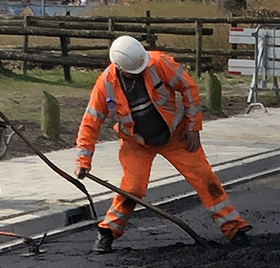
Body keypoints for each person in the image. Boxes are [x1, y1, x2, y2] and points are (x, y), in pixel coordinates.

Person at [75, 34, 252, 252]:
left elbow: (188, 87)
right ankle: (108, 231)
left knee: (205, 179)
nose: (140, 71)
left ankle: (234, 228)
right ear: (119, 68)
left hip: (176, 136)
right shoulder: (105, 85)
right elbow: (90, 122)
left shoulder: (158, 62)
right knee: (132, 189)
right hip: (136, 143)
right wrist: (84, 160)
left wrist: (193, 127)